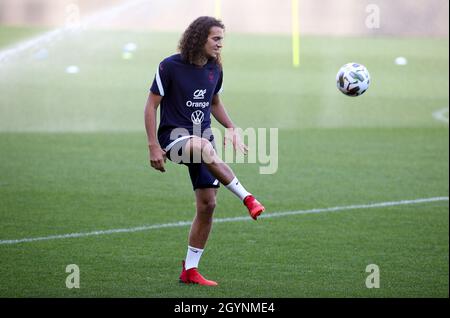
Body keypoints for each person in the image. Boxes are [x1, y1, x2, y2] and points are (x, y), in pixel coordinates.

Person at [144, 16, 265, 286]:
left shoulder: (214, 69)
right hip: (174, 139)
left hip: (203, 141)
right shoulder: (169, 66)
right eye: (216, 39)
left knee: (208, 204)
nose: (221, 45)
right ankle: (247, 198)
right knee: (202, 146)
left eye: (222, 39)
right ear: (199, 38)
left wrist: (232, 127)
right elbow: (151, 105)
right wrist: (153, 145)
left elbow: (214, 102)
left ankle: (190, 270)